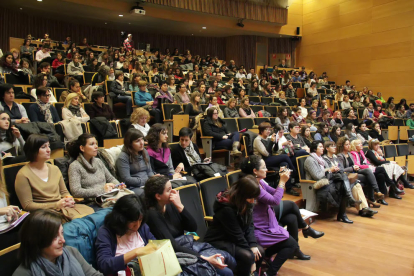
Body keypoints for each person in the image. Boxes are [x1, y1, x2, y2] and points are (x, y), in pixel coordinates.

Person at [241, 156, 324, 270]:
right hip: (260, 226)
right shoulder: (252, 185)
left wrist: (283, 181)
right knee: (291, 205)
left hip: (267, 216)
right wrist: (281, 181)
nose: (266, 169)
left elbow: (276, 193)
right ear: (255, 171)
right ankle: (304, 231)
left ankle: (294, 249)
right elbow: (275, 200)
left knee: (291, 218)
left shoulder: (259, 181)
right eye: (264, 167)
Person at [145, 176, 235, 276]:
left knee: (230, 262)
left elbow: (192, 227)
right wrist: (204, 258)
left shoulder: (170, 204)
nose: (173, 192)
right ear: (158, 196)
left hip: (187, 245)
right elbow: (172, 246)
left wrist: (180, 206)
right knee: (226, 273)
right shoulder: (152, 215)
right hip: (174, 255)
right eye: (168, 190)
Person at [203, 175, 263, 276]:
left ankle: (253, 274)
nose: (253, 201)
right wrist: (252, 260)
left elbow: (249, 225)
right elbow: (237, 235)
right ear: (242, 195)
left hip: (233, 237)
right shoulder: (226, 209)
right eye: (251, 198)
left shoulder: (245, 202)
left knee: (259, 252)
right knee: (248, 256)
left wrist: (252, 244)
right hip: (219, 240)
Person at [13, 209, 103, 276]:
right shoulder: (23, 273)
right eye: (55, 236)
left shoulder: (71, 252)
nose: (63, 240)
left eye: (62, 233)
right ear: (38, 239)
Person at [95, 194, 158, 275]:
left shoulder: (142, 227)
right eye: (132, 221)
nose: (137, 225)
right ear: (122, 219)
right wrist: (136, 252)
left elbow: (155, 245)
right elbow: (104, 265)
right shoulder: (106, 232)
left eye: (140, 219)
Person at [15, 135, 75, 211]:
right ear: (33, 150)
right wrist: (55, 205)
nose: (48, 150)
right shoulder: (23, 174)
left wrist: (69, 199)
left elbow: (64, 192)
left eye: (48, 146)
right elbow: (27, 205)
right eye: (43, 147)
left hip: (63, 208)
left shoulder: (54, 169)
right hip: (43, 214)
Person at [304, 140, 356, 223]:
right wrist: (329, 170)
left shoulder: (321, 158)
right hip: (318, 184)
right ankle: (343, 213)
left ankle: (343, 214)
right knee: (343, 184)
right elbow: (317, 176)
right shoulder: (310, 160)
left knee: (342, 180)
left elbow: (328, 170)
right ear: (314, 149)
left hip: (328, 180)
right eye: (320, 147)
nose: (322, 148)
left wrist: (333, 169)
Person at [323, 141, 377, 217]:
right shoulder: (325, 159)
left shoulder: (335, 157)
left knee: (357, 185)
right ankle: (359, 205)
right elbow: (327, 173)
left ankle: (364, 209)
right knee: (356, 181)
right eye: (332, 146)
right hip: (334, 180)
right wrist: (333, 170)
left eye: (335, 146)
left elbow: (341, 169)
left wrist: (338, 169)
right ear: (327, 148)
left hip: (341, 177)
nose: (334, 147)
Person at [253, 122, 301, 196]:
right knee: (285, 157)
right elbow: (266, 153)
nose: (269, 131)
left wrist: (276, 142)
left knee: (285, 164)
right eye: (267, 130)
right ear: (261, 131)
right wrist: (272, 142)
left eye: (269, 130)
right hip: (262, 161)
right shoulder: (258, 140)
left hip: (269, 159)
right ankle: (294, 172)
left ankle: (288, 188)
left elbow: (274, 151)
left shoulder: (268, 138)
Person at [68, 134, 122, 199]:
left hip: (108, 196)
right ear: (82, 148)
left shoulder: (98, 161)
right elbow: (76, 192)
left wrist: (118, 185)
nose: (96, 146)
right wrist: (102, 190)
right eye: (92, 144)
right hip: (93, 201)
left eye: (96, 144)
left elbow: (111, 179)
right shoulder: (74, 166)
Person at [349, 139, 404, 203]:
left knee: (381, 175)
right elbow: (357, 165)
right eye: (359, 144)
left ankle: (381, 198)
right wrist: (368, 166)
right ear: (355, 146)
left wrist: (369, 165)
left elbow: (366, 161)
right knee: (381, 169)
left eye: (361, 143)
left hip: (367, 168)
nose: (361, 144)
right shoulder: (353, 153)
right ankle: (392, 185)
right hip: (360, 170)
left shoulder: (361, 152)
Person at [336, 137, 384, 208]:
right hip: (348, 174)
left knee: (369, 173)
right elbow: (342, 170)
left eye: (349, 144)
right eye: (346, 145)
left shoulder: (349, 154)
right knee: (369, 176)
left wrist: (354, 167)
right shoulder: (340, 156)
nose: (349, 146)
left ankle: (375, 194)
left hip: (355, 172)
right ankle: (373, 197)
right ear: (342, 146)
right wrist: (352, 167)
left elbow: (354, 164)